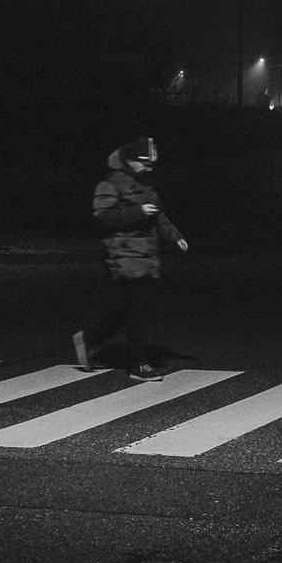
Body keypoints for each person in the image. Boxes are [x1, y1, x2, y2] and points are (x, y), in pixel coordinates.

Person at [72, 136, 188, 382]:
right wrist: (138, 211)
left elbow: (159, 217)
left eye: (151, 165)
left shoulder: (146, 186)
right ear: (131, 161)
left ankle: (90, 338)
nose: (149, 169)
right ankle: (138, 365)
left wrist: (175, 236)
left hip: (144, 257)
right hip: (123, 257)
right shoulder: (110, 183)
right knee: (137, 311)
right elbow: (103, 217)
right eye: (145, 164)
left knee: (130, 310)